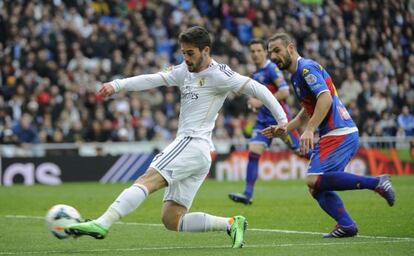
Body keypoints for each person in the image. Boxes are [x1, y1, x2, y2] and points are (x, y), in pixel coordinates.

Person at [65, 26, 289, 248]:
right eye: (183, 53)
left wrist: (282, 121)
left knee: (147, 179)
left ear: (206, 50)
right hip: (197, 152)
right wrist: (117, 84)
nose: (186, 58)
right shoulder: (184, 70)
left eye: (190, 53)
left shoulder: (220, 74)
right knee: (172, 218)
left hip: (192, 143)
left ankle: (102, 223)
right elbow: (153, 79)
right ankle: (230, 224)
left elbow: (259, 89)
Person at [262, 33, 395, 238]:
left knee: (313, 179)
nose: (273, 56)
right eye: (270, 53)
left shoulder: (306, 68)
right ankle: (346, 224)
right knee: (316, 187)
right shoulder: (297, 75)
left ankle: (376, 182)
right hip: (335, 133)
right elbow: (308, 110)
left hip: (339, 131)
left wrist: (310, 129)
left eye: (277, 50)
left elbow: (325, 99)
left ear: (290, 48)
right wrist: (286, 128)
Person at [228, 39, 301, 205]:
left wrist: (260, 102)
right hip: (262, 121)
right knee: (253, 153)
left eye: (258, 51)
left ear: (264, 52)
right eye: (252, 51)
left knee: (300, 152)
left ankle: (327, 167)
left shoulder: (271, 69)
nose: (255, 54)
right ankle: (247, 194)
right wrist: (253, 103)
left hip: (280, 120)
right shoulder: (256, 73)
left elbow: (284, 91)